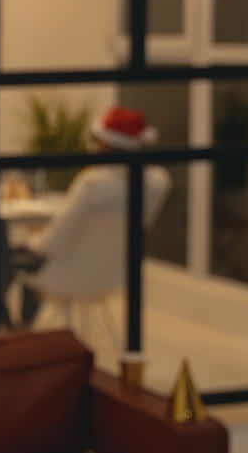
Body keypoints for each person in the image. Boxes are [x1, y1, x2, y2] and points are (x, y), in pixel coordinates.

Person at [14, 106, 168, 327]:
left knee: (9, 255)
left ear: (106, 144)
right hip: (115, 272)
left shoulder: (92, 183)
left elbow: (55, 241)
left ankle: (17, 328)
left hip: (66, 272)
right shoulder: (157, 182)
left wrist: (31, 242)